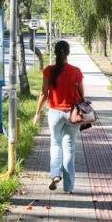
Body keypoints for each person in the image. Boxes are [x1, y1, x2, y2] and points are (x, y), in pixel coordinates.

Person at [33, 40, 84, 193]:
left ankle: (55, 174)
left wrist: (37, 113)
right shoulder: (76, 71)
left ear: (55, 52)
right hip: (72, 114)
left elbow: (44, 93)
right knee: (69, 148)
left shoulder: (48, 71)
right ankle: (68, 187)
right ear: (68, 53)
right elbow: (82, 95)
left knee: (55, 144)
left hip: (54, 113)